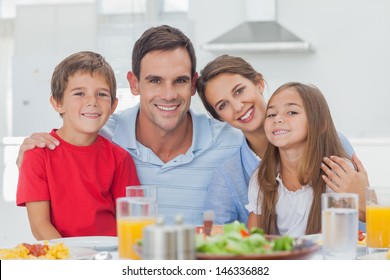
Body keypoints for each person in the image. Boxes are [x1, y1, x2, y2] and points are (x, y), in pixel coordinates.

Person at [16, 26, 243, 225]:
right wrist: (27, 157)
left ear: (193, 84)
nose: (168, 94)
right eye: (154, 80)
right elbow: (62, 157)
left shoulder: (232, 143)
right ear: (134, 84)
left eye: (180, 81)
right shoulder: (98, 133)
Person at [196, 55, 369, 225]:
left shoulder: (332, 142)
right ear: (219, 117)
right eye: (222, 105)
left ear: (259, 83)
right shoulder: (229, 178)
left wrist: (365, 200)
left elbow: (364, 229)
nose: (238, 106)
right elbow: (213, 240)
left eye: (239, 91)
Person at [16, 51, 140, 240]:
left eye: (102, 94)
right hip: (64, 258)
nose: (92, 101)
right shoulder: (37, 155)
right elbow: (40, 226)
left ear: (113, 105)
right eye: (79, 93)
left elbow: (131, 223)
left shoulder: (120, 159)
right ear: (58, 103)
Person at [245, 82, 366, 237]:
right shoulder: (262, 177)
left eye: (292, 112)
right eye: (271, 114)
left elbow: (337, 239)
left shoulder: (337, 173)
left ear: (320, 125)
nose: (278, 119)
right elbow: (253, 241)